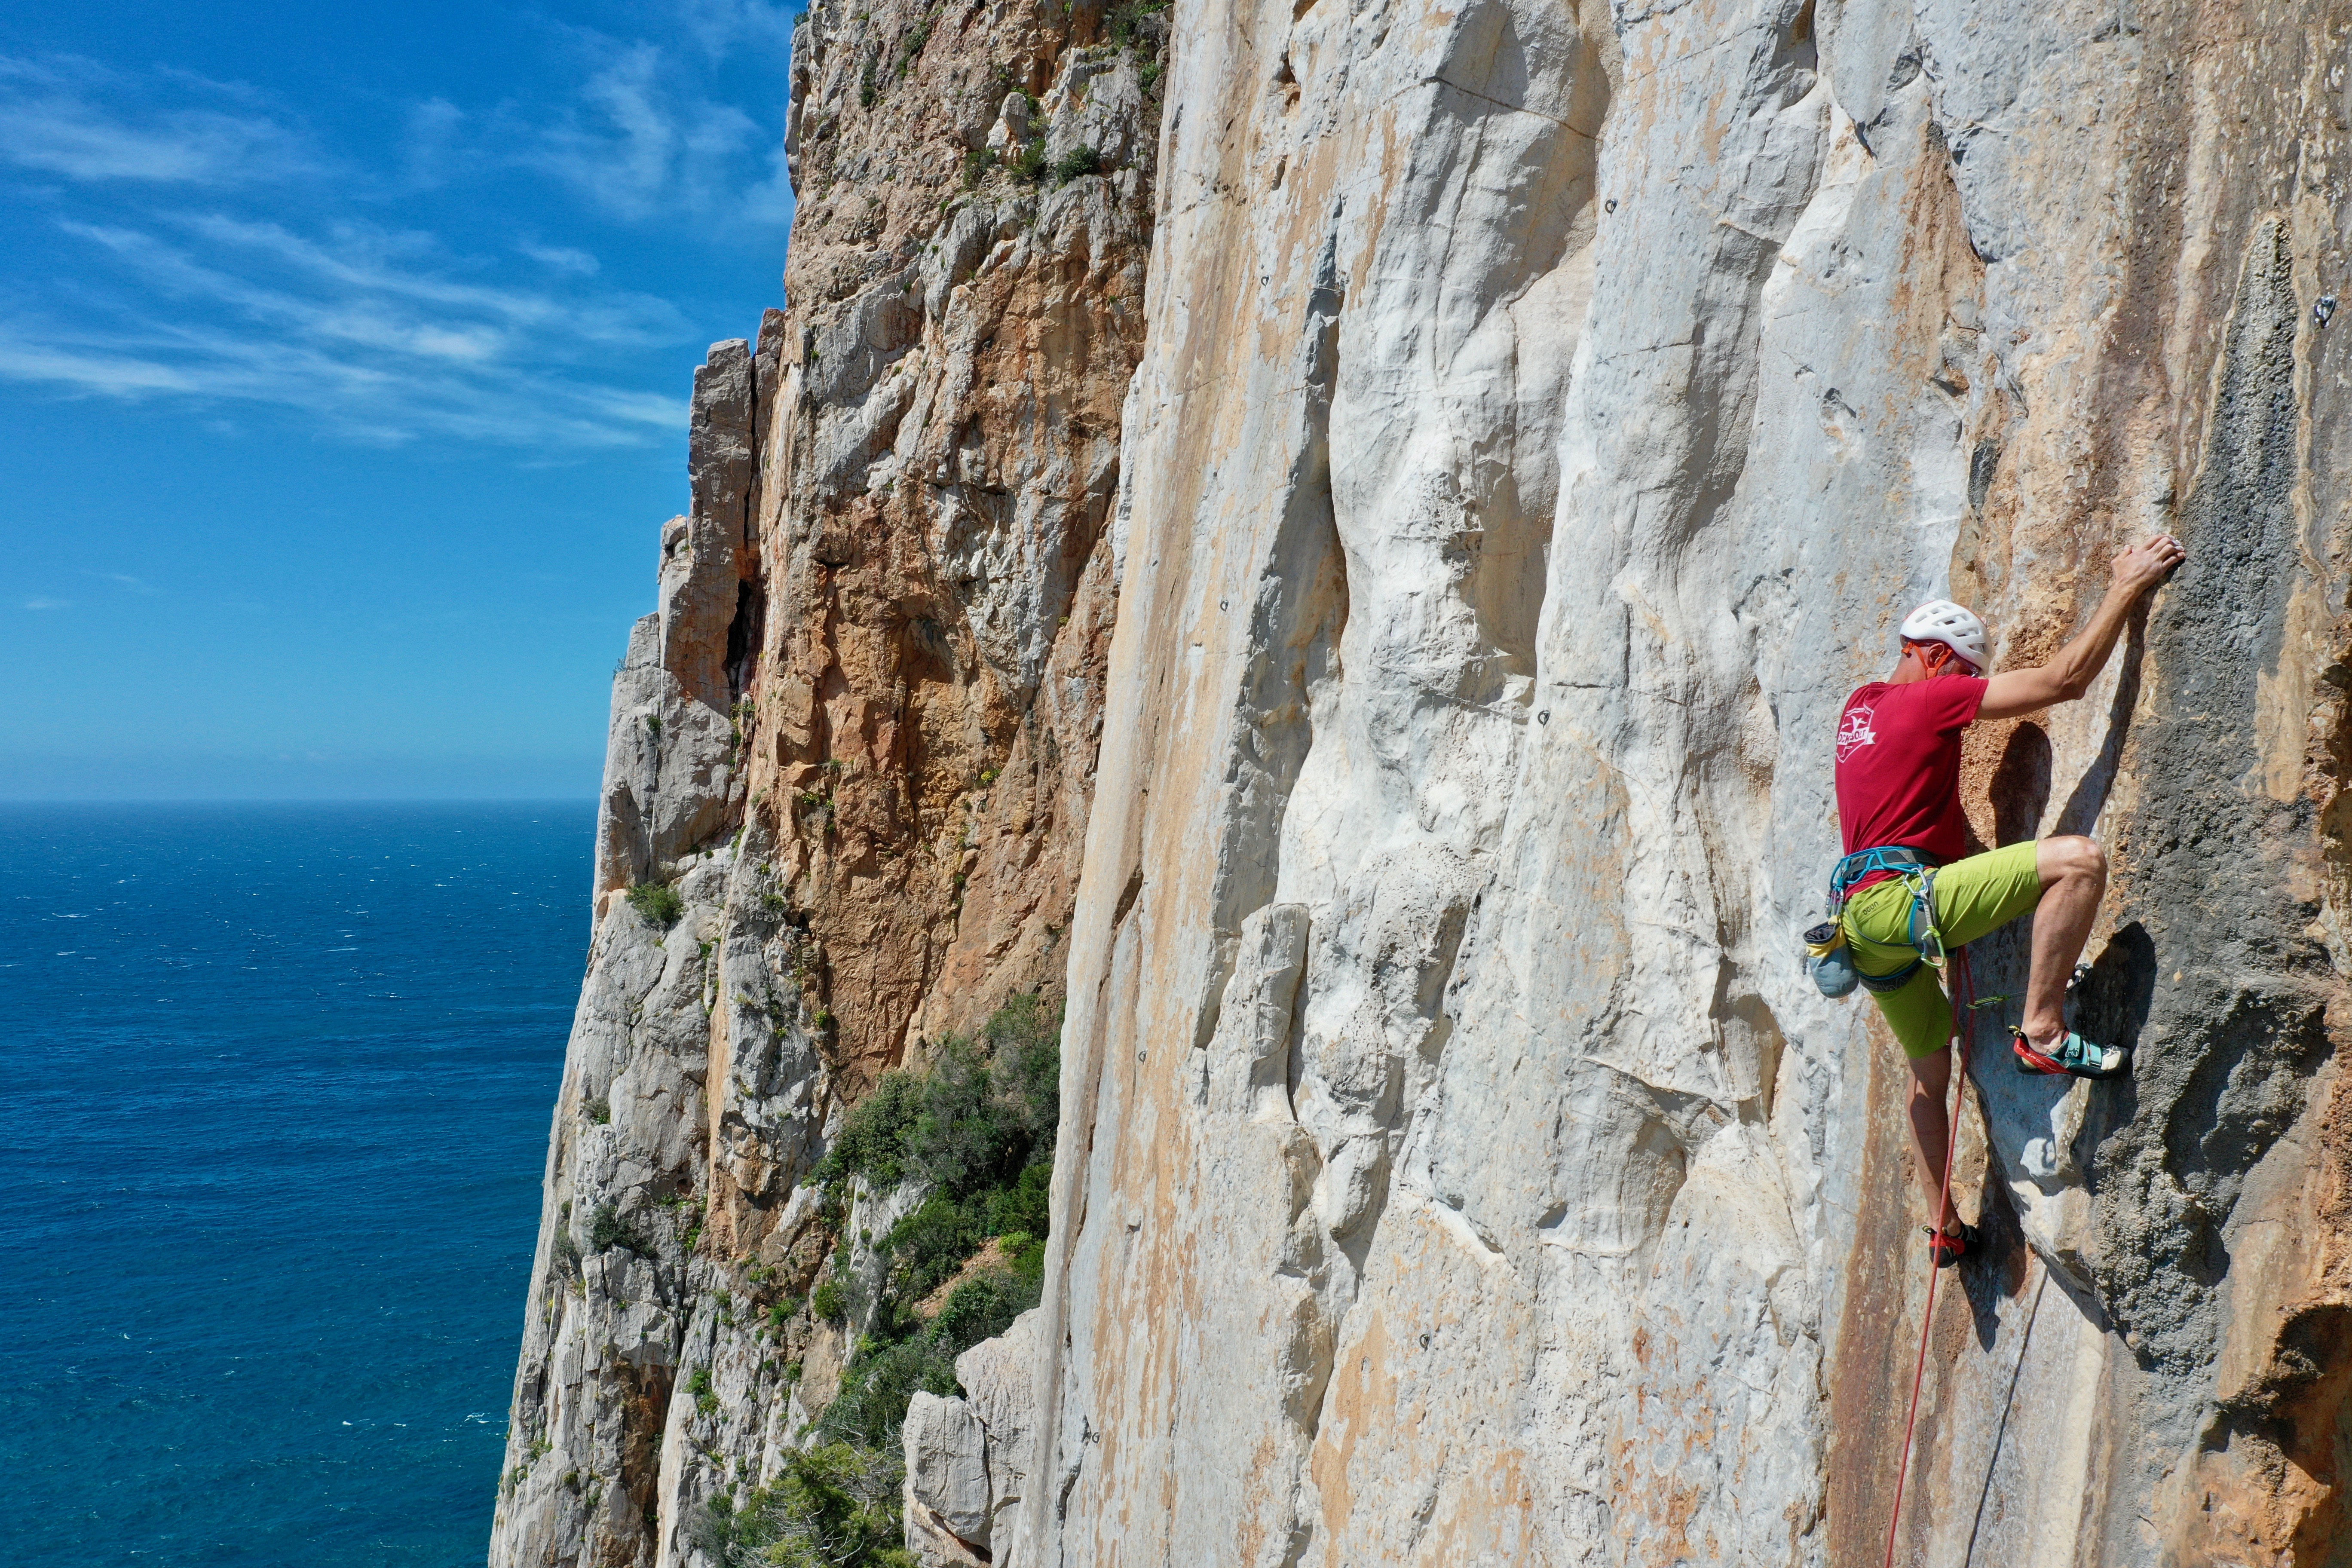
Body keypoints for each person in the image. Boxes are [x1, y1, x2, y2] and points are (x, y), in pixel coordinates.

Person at [1832, 534, 2185, 1266]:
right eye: (1965, 675)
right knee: (2078, 862)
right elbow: (2064, 681)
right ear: (1937, 660)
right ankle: (2044, 1032)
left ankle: (1944, 1228)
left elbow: (1918, 801)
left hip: (1861, 928)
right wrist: (2126, 586)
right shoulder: (1933, 698)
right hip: (1904, 903)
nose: (1968, 691)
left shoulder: (1860, 707)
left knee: (1929, 1079)